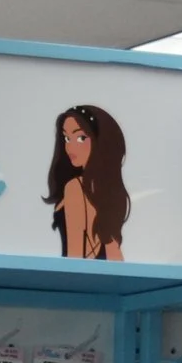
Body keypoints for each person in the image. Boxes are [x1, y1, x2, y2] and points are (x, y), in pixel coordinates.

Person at [44, 104, 129, 261]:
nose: (70, 147)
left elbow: (74, 257)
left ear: (99, 140)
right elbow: (115, 256)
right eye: (67, 138)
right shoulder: (107, 191)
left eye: (81, 138)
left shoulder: (75, 188)